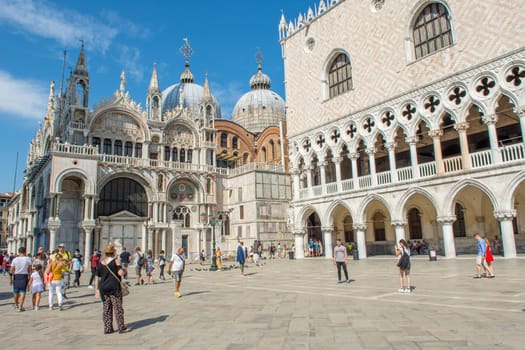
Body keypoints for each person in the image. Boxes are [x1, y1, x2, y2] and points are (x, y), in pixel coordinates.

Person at [95, 243, 130, 334]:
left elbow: (97, 277)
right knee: (118, 308)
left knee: (106, 308)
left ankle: (108, 328)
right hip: (114, 288)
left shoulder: (101, 263)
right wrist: (124, 270)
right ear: (113, 252)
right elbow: (120, 273)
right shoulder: (116, 261)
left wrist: (97, 289)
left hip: (103, 288)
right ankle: (121, 327)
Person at [10, 247, 33, 312]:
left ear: (19, 252)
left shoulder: (15, 259)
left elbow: (11, 270)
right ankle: (20, 306)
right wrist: (30, 278)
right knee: (23, 291)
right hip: (24, 275)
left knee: (15, 291)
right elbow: (30, 269)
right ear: (25, 252)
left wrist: (10, 279)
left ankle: (16, 304)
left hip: (16, 276)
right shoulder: (28, 259)